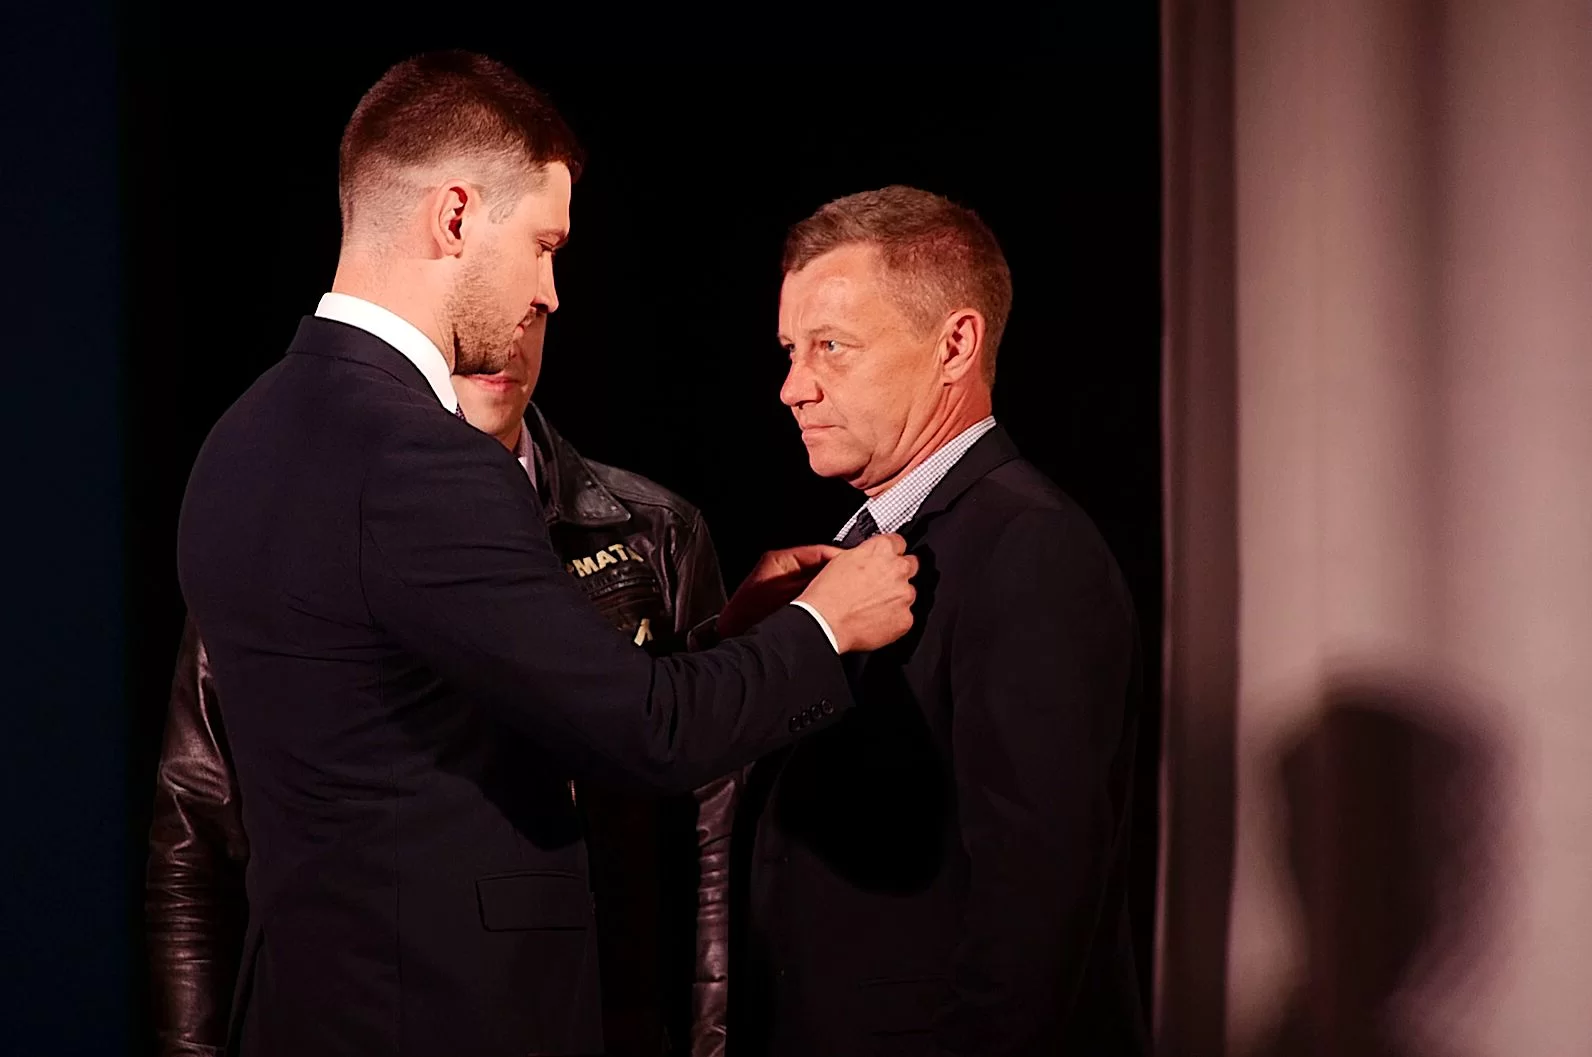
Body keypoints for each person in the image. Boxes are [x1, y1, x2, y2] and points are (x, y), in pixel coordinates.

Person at [173, 51, 916, 1057]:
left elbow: (449, 707)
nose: (551, 292)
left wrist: (722, 642)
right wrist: (822, 627)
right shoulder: (425, 463)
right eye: (542, 245)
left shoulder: (237, 441)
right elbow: (646, 735)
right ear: (454, 217)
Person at [148, 310, 740, 1056]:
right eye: (474, 320)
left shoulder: (653, 533)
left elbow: (712, 827)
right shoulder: (298, 528)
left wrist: (710, 1038)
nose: (505, 340)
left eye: (534, 311)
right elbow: (196, 825)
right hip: (371, 1007)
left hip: (604, 1008)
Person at [728, 186, 1148, 1056]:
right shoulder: (871, 542)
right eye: (791, 351)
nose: (792, 388)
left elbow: (1036, 905)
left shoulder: (1029, 548)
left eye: (831, 347)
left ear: (955, 345)